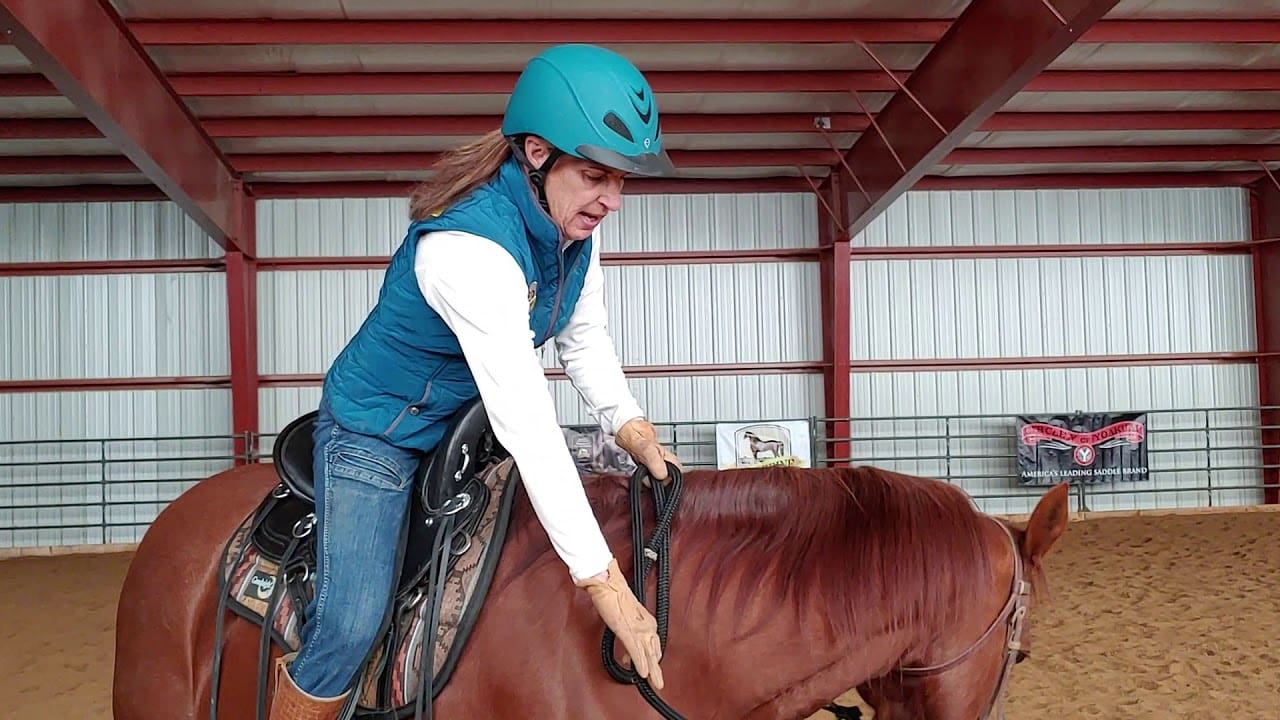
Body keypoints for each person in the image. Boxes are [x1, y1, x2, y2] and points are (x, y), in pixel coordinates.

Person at [267, 43, 685, 719]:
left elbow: (582, 337)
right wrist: (603, 581)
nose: (612, 200)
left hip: (463, 423)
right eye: (595, 175)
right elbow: (529, 423)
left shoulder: (572, 226)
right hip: (380, 433)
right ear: (538, 154)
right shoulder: (468, 251)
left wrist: (628, 423)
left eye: (621, 180)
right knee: (350, 624)